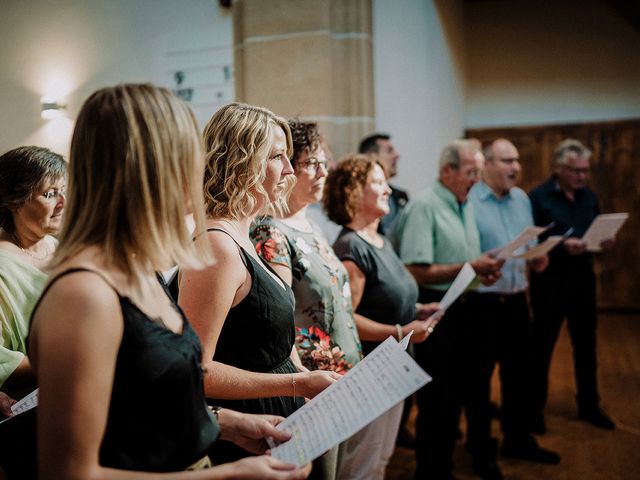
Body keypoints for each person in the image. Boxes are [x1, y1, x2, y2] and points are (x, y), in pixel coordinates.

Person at [28, 84, 311, 479]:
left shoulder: (136, 271)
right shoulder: (83, 295)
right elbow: (70, 472)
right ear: (145, 169)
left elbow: (141, 401)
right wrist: (227, 475)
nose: (200, 170)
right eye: (187, 155)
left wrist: (223, 422)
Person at [179, 103, 339, 465]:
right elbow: (197, 370)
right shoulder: (218, 245)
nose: (288, 169)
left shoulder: (243, 233)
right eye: (278, 157)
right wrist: (297, 384)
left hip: (274, 417)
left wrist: (301, 376)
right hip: (243, 432)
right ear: (240, 162)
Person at [325, 154, 440, 480]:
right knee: (361, 466)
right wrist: (401, 330)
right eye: (377, 182)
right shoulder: (351, 248)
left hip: (394, 365)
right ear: (352, 192)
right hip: (369, 371)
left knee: (380, 461)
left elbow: (386, 300)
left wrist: (419, 310)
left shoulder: (381, 241)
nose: (387, 189)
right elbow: (344, 320)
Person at [394, 139, 504, 480]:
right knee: (440, 397)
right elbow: (415, 269)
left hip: (471, 306)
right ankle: (433, 470)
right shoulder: (425, 206)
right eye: (471, 172)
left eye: (479, 172)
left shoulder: (465, 203)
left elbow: (461, 265)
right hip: (437, 310)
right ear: (447, 171)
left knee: (478, 386)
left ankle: (480, 457)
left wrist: (478, 274)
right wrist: (469, 266)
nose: (477, 180)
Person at [468, 139, 560, 477]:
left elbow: (531, 244)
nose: (515, 167)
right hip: (483, 304)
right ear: (487, 165)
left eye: (517, 160)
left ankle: (517, 438)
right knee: (479, 381)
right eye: (507, 160)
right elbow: (467, 254)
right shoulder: (471, 201)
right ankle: (480, 450)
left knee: (520, 375)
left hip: (518, 300)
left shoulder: (522, 199)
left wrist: (539, 257)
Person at [529, 139, 616, 433]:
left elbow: (595, 229)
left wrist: (603, 241)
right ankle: (534, 410)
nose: (582, 176)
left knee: (586, 346)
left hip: (582, 281)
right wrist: (562, 246)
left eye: (585, 170)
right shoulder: (538, 198)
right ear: (558, 168)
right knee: (542, 349)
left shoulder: (589, 197)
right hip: (550, 283)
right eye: (576, 170)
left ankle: (589, 405)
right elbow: (531, 242)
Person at [0, 146, 66, 397]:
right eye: (50, 194)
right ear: (13, 201)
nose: (62, 203)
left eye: (64, 192)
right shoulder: (3, 268)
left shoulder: (58, 247)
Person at [359, 133, 408, 235]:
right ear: (371, 156)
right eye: (389, 151)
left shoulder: (401, 197)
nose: (397, 155)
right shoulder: (356, 199)